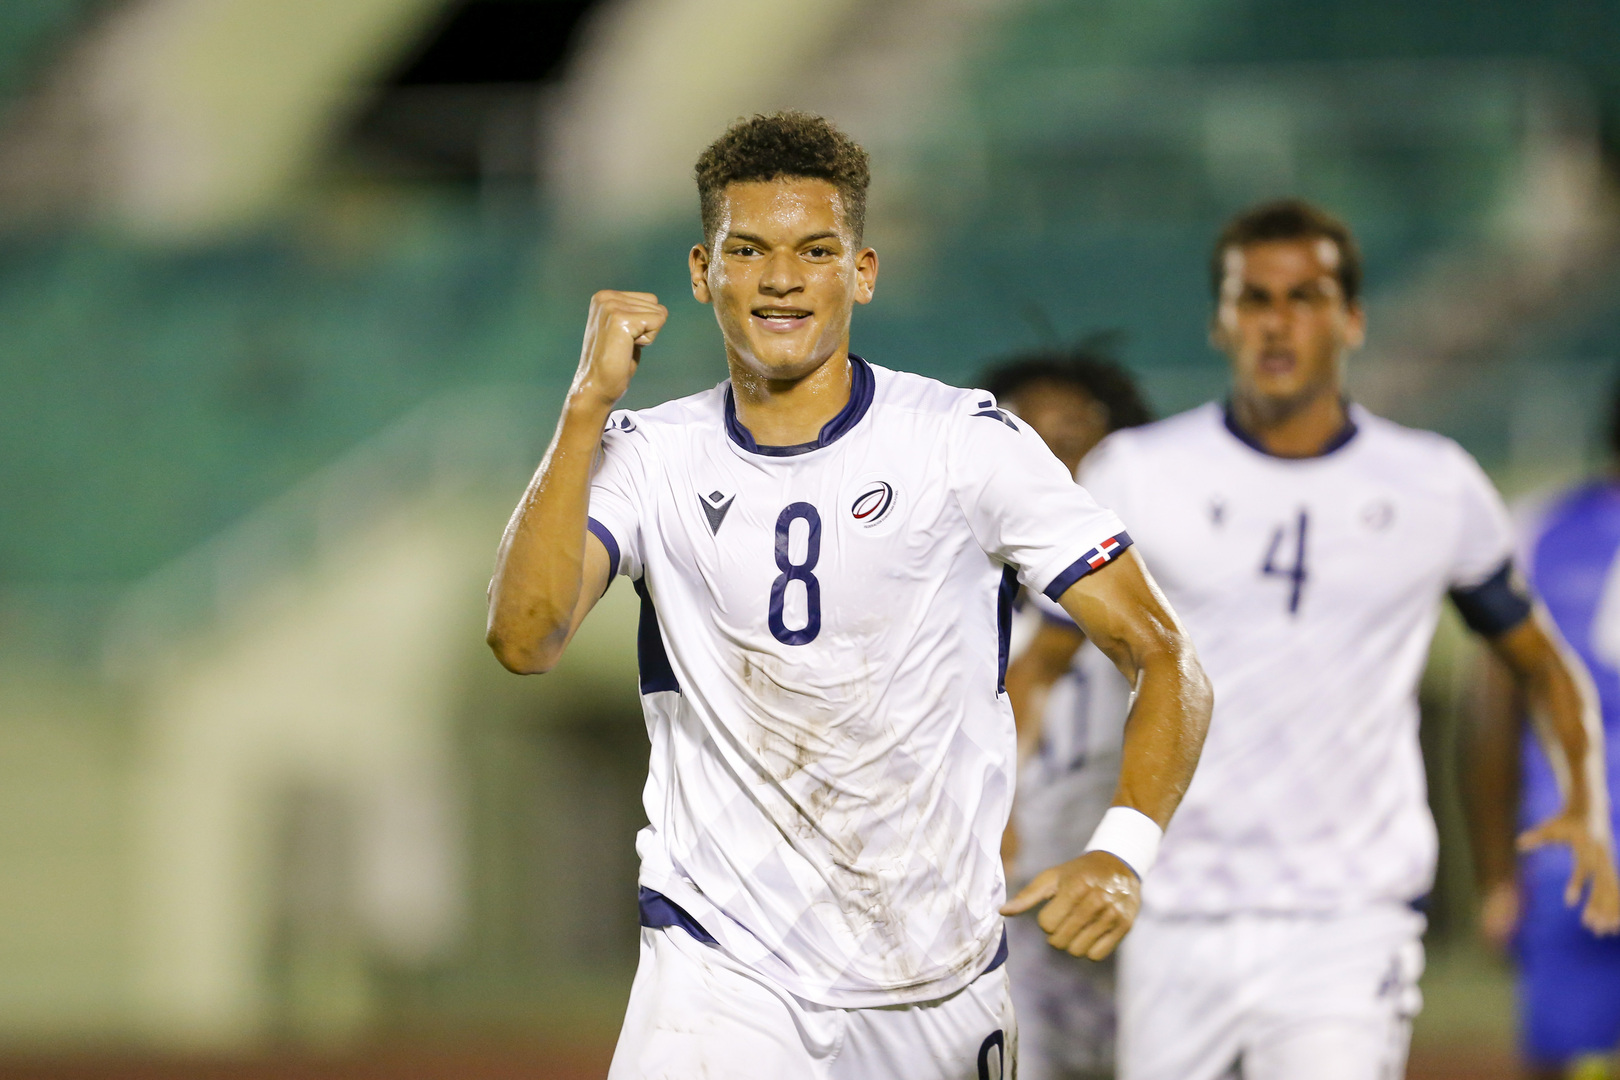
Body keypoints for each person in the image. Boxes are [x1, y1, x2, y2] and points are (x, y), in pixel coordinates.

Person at [484, 111, 1213, 1080]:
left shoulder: (962, 443)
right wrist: (585, 408)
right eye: (749, 250)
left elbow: (1165, 654)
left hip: (934, 978)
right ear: (704, 273)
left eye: (815, 250)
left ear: (861, 272)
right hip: (719, 963)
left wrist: (1122, 848)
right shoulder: (648, 456)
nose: (782, 278)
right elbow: (525, 638)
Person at [1074, 198, 1620, 1080]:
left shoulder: (1435, 484)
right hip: (1176, 911)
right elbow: (1038, 659)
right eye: (1254, 299)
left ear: (1352, 318)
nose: (1279, 322)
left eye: (1308, 296)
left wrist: (1586, 799)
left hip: (1349, 918)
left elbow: (1537, 659)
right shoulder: (1136, 476)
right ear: (1220, 321)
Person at [978, 347, 1154, 1080]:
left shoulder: (1148, 584)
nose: (1051, 462)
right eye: (1028, 438)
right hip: (1003, 899)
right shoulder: (941, 591)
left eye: (1073, 440)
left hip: (1140, 880)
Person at [1464, 381, 1620, 1080]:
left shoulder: (1536, 530)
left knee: (1566, 1061)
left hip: (1569, 860)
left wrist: (1498, 876)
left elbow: (1489, 712)